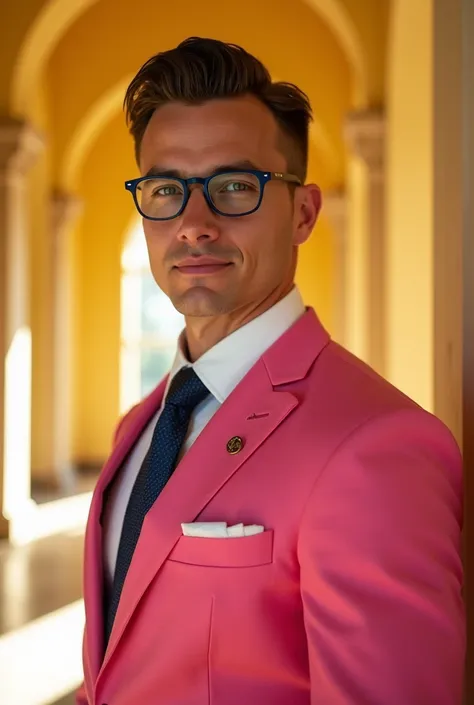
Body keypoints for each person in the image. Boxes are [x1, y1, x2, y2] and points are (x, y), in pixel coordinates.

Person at [77, 37, 465, 705]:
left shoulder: (376, 446)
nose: (193, 224)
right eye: (166, 189)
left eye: (233, 186)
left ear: (304, 212)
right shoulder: (137, 428)